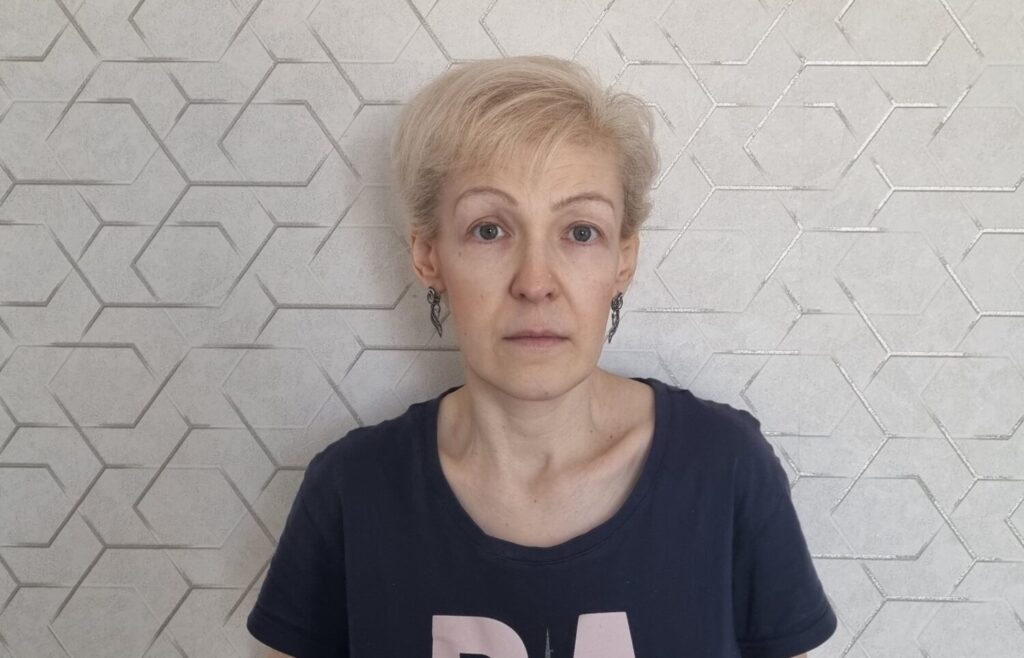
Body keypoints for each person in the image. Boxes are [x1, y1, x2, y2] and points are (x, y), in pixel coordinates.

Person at [246, 55, 838, 658]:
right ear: (428, 256)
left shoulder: (725, 470)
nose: (535, 283)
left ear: (623, 260)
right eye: (489, 230)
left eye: (580, 232)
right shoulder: (352, 491)